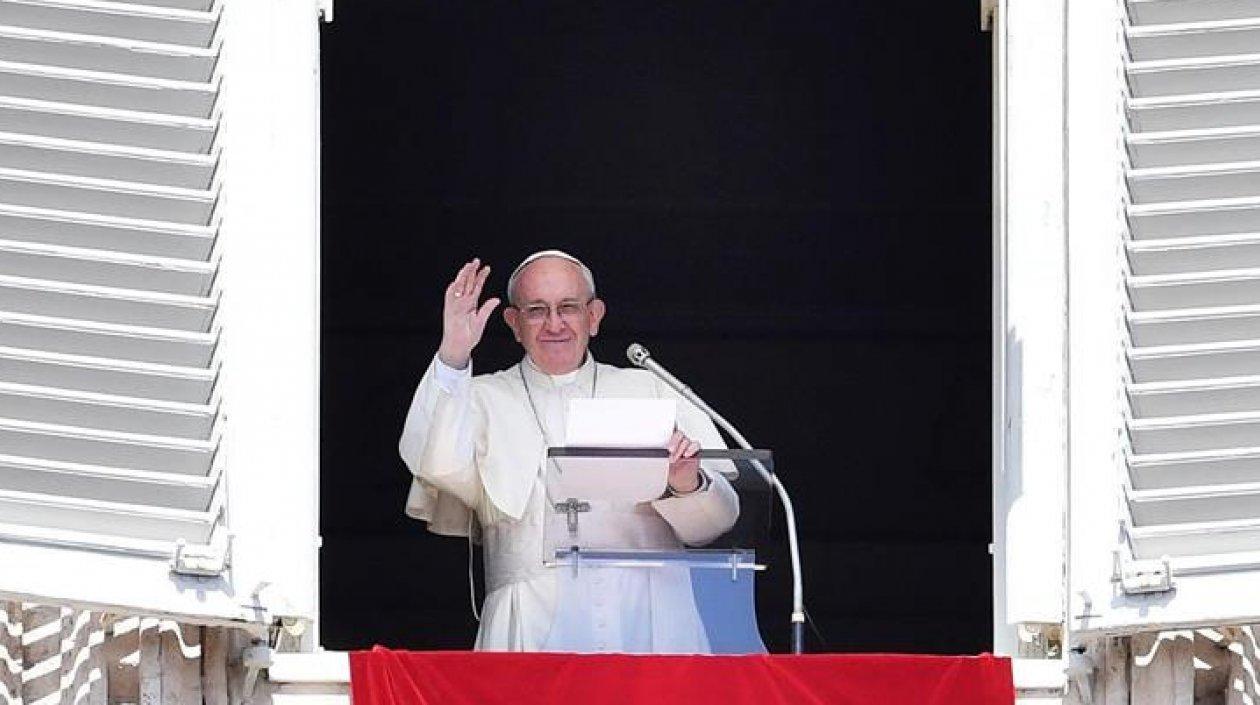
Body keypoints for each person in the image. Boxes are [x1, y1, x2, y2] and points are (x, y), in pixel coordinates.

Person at [399, 250, 739, 652]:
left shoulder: (649, 389)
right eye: (537, 310)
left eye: (569, 308)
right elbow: (434, 464)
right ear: (514, 323)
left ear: (594, 316)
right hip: (530, 619)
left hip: (651, 619)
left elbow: (715, 527)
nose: (554, 324)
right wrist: (453, 354)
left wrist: (686, 483)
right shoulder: (480, 398)